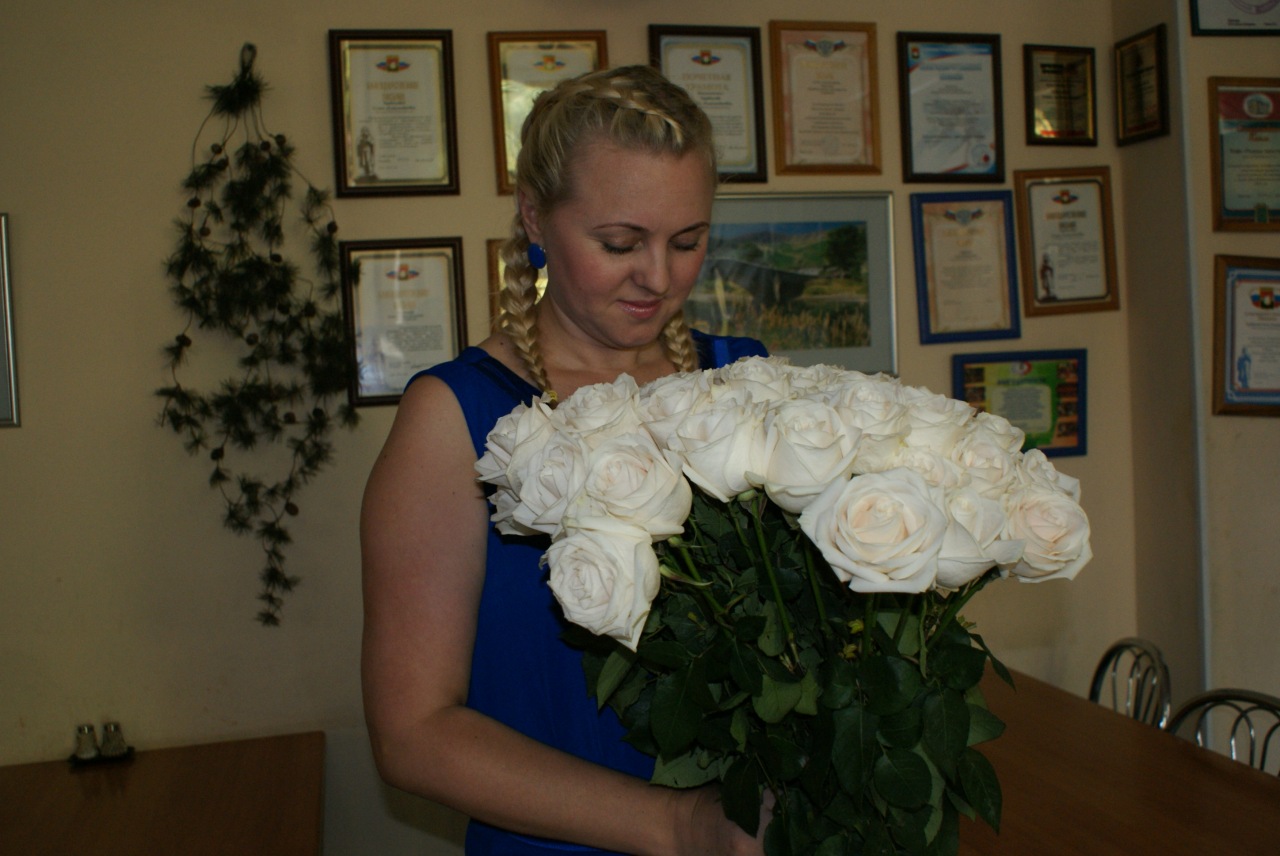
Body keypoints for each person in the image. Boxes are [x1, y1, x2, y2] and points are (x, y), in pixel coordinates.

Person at [360, 65, 770, 856]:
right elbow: (412, 733)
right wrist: (678, 825)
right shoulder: (454, 419)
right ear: (535, 217)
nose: (659, 277)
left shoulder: (744, 376)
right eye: (620, 243)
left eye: (688, 241)